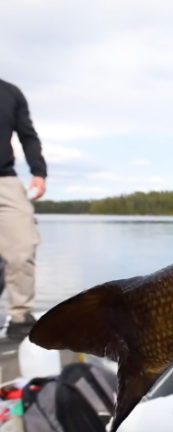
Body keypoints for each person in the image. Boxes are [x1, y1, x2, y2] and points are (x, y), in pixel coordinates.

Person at [0, 78, 46, 341]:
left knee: (22, 247)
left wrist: (38, 171)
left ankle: (19, 317)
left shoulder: (10, 93)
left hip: (4, 181)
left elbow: (28, 135)